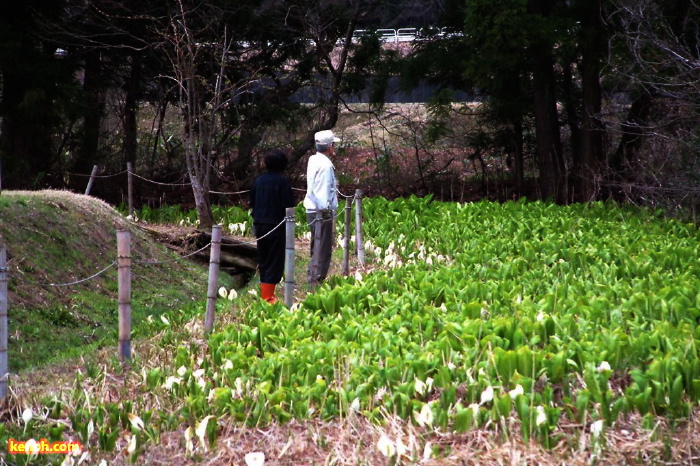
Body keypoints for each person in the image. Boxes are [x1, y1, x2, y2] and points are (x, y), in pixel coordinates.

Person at [250, 149, 296, 303]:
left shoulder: (259, 181)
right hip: (276, 226)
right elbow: (288, 205)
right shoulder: (283, 183)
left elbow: (252, 203)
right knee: (275, 260)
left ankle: (266, 295)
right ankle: (268, 297)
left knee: (263, 259)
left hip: (260, 225)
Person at [304, 129, 340, 287]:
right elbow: (324, 191)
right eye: (334, 145)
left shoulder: (313, 159)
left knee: (316, 243)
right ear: (330, 146)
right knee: (324, 247)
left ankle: (313, 273)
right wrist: (326, 210)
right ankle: (317, 279)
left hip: (311, 209)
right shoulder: (326, 166)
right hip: (321, 211)